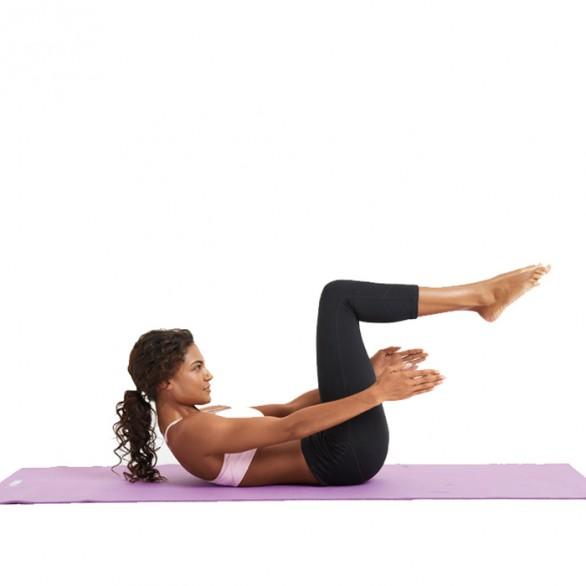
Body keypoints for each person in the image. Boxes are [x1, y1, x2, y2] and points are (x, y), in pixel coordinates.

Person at [111, 263, 551, 486]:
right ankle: (481, 296)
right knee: (338, 298)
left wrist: (366, 373)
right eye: (197, 367)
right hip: (343, 459)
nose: (209, 374)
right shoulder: (192, 434)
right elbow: (291, 428)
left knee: (339, 298)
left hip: (342, 450)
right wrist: (377, 393)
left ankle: (481, 297)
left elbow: (290, 408)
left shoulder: (198, 417)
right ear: (165, 382)